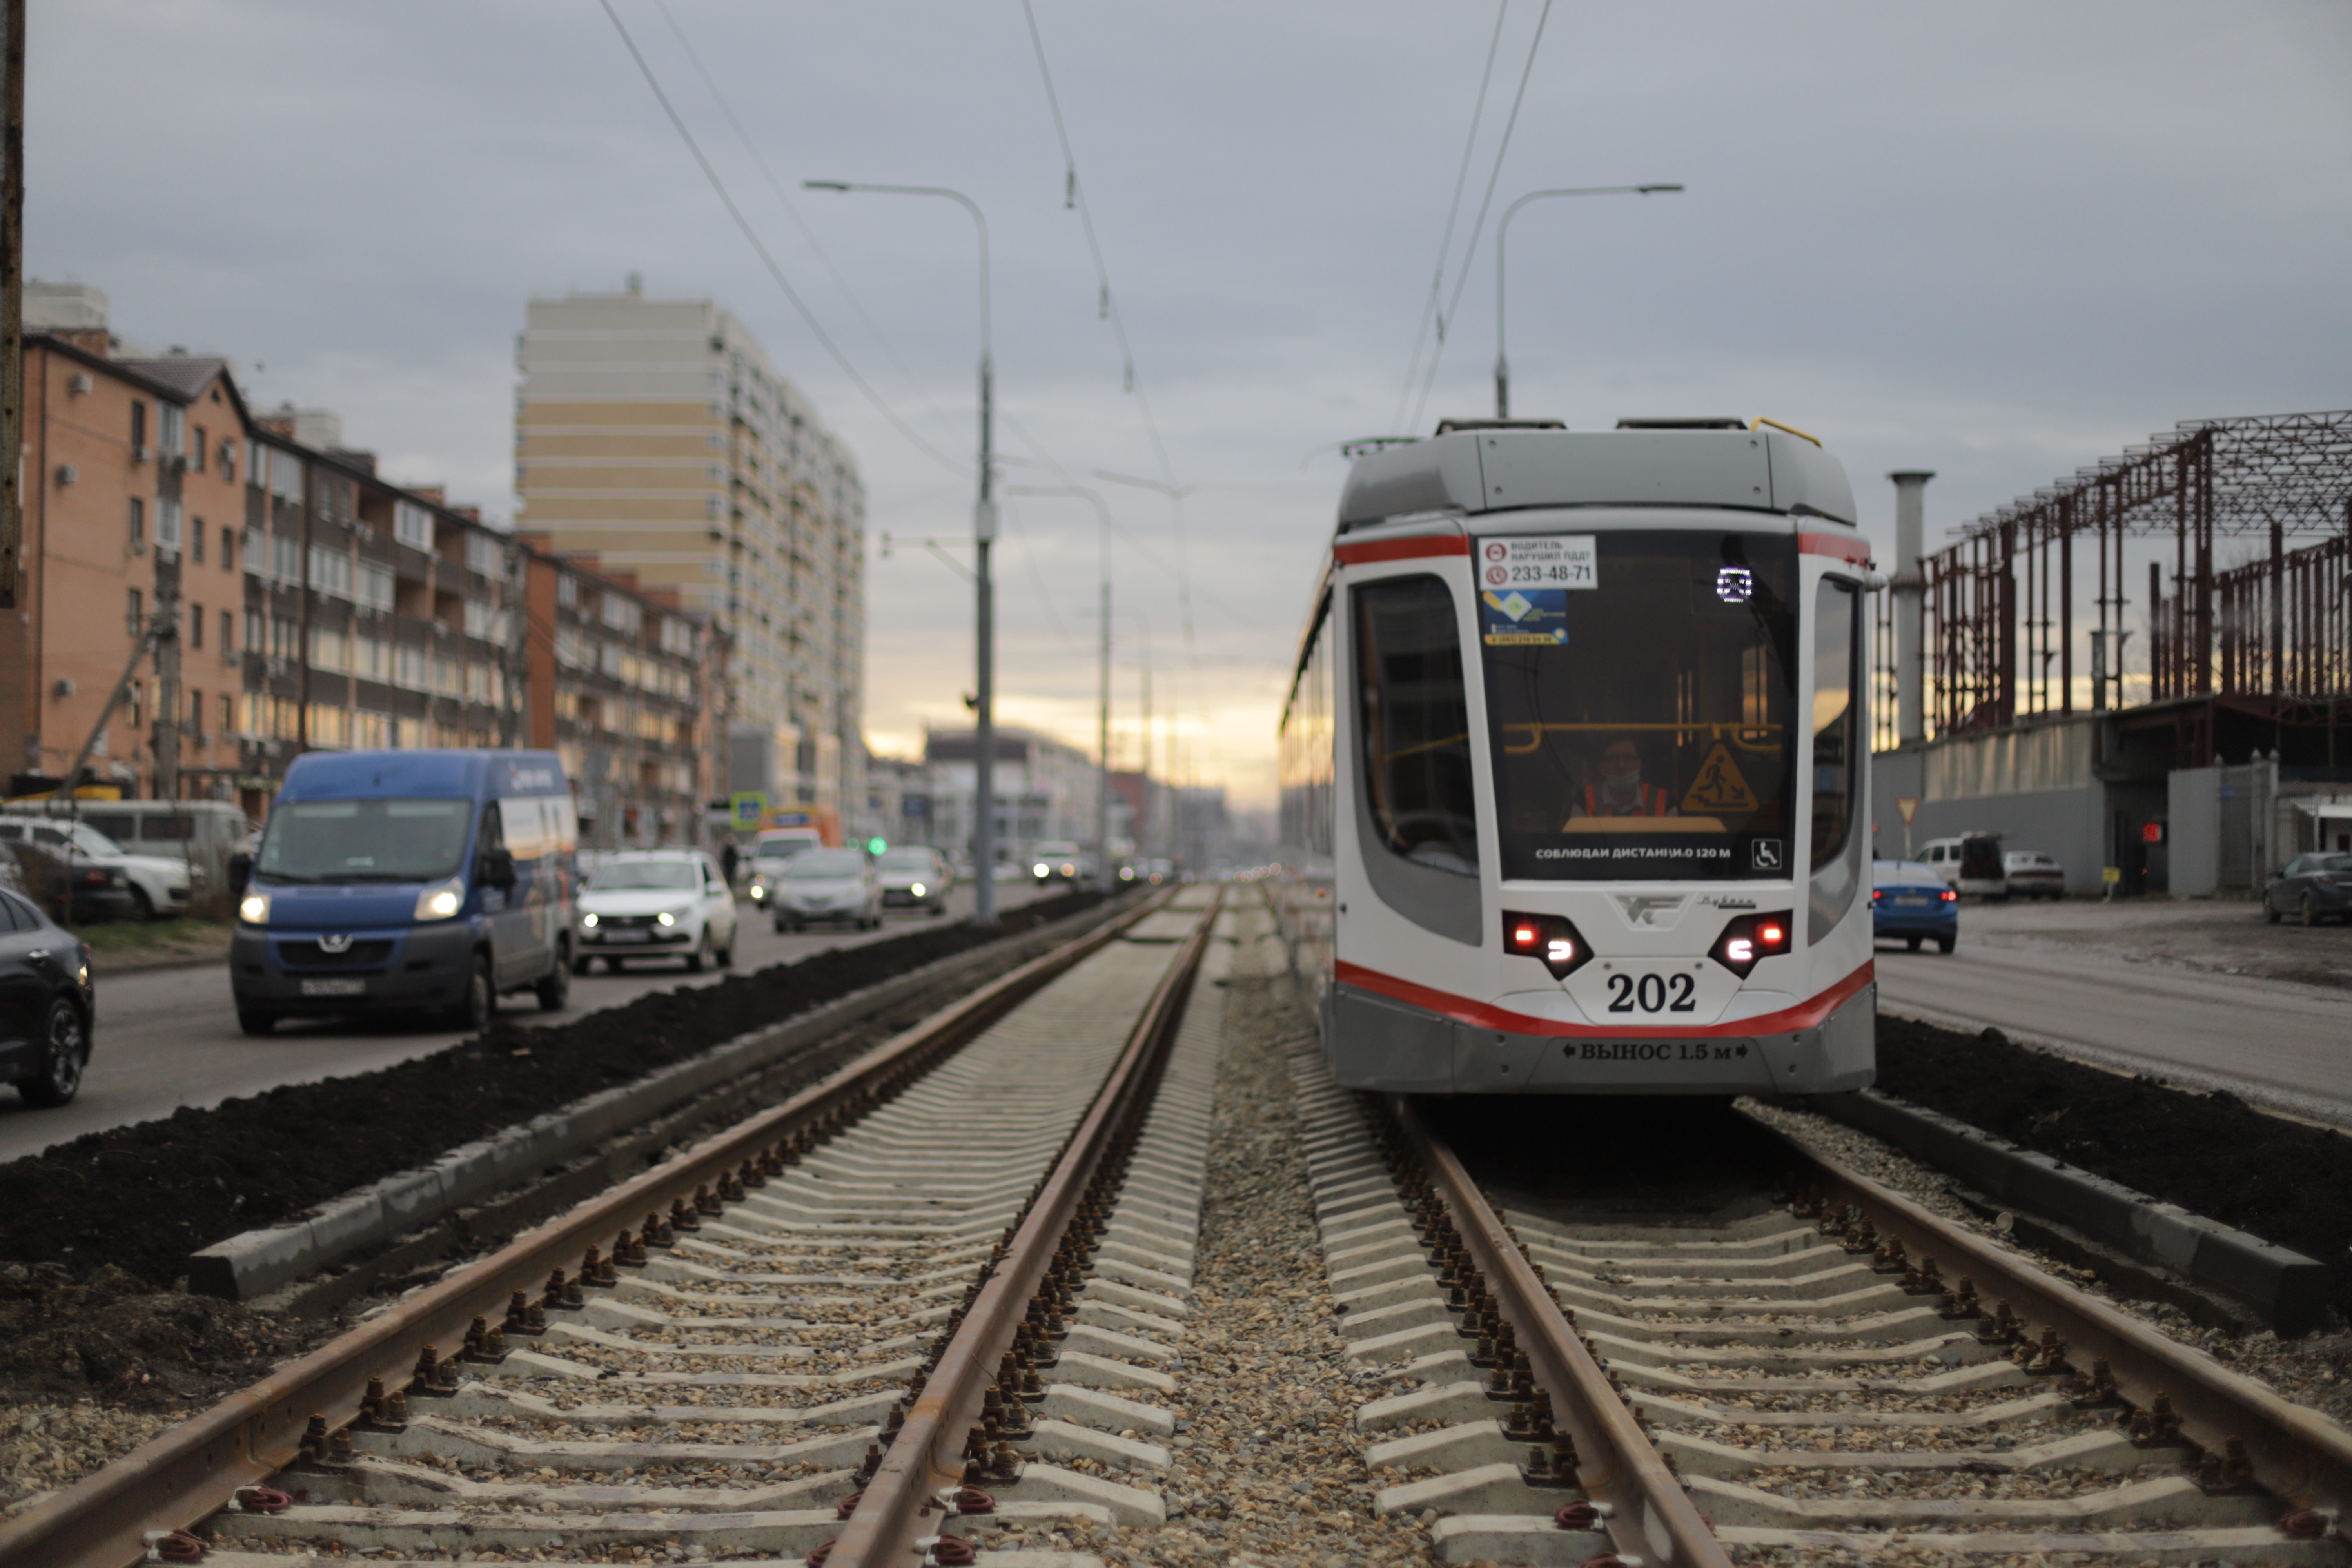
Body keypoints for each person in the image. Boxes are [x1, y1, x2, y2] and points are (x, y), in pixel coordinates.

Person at [1571, 739, 1676, 819]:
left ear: (1639, 764)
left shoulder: (1664, 801)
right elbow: (1578, 844)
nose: (1621, 765)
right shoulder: (1584, 800)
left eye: (1629, 757)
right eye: (1613, 759)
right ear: (1602, 768)